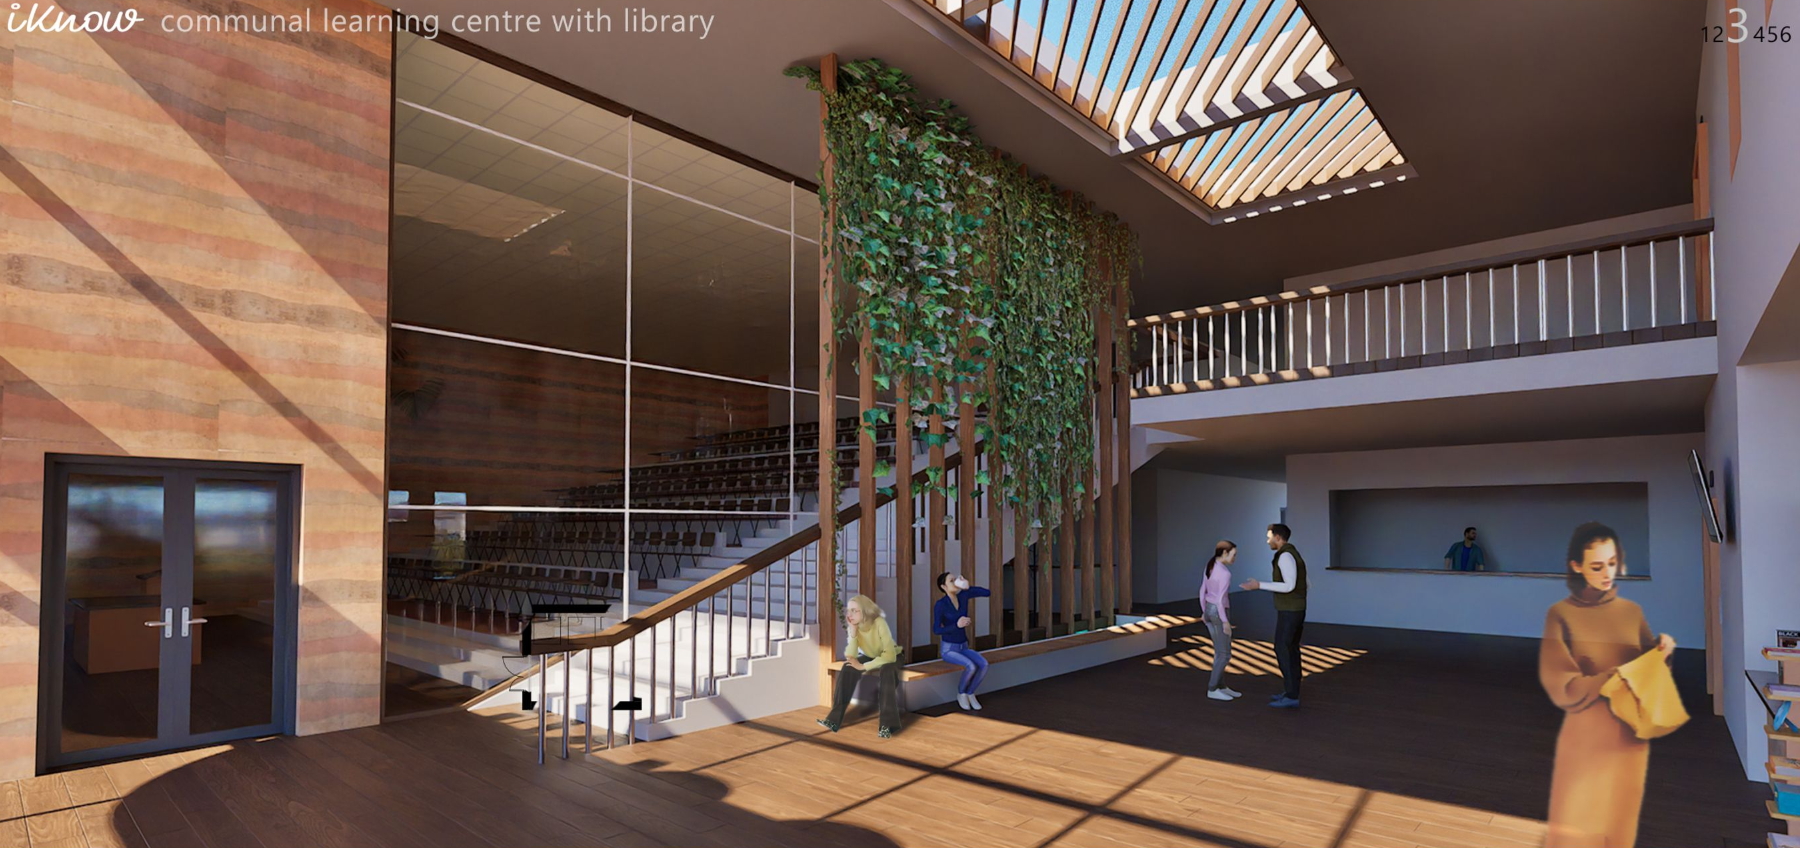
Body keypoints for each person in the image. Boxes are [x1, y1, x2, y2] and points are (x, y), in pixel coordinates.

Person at [1540, 522, 1675, 848]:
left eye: (1612, 563)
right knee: (1576, 823)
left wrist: (1661, 651)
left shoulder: (1631, 611)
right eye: (1597, 566)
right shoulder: (1560, 615)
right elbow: (1561, 684)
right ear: (1577, 566)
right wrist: (1615, 675)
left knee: (1621, 820)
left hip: (1630, 735)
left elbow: (1650, 671)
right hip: (1586, 735)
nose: (1606, 573)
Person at [1240, 523, 1307, 709]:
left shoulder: (1285, 556)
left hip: (1290, 611)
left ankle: (1292, 695)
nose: (1267, 540)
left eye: (1269, 536)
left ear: (1278, 537)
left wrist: (1258, 585)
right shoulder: (1293, 553)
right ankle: (1291, 691)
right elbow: (1306, 583)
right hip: (1296, 609)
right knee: (1290, 649)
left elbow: (1289, 586)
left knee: (1283, 648)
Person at [818, 594, 903, 738]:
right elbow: (851, 656)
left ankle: (888, 726)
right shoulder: (857, 627)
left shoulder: (879, 622)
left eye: (854, 611)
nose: (849, 614)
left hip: (892, 655)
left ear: (865, 611)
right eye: (849, 610)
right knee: (848, 668)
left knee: (887, 671)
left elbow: (889, 655)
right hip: (872, 655)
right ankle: (833, 720)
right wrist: (852, 632)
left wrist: (863, 667)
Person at [934, 573, 991, 710]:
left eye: (956, 579)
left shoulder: (963, 596)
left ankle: (970, 693)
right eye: (951, 581)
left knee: (984, 664)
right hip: (949, 649)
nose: (955, 582)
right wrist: (956, 625)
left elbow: (987, 593)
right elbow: (936, 630)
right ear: (944, 586)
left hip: (963, 646)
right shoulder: (941, 605)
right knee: (971, 666)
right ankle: (961, 693)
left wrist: (967, 585)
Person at [1198, 540, 1242, 701]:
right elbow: (1219, 600)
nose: (1235, 558)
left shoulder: (1210, 566)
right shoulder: (1225, 573)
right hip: (1219, 612)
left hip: (1209, 610)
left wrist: (1204, 611)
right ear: (1224, 553)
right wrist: (1225, 622)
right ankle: (1212, 688)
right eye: (1233, 555)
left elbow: (1203, 590)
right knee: (1225, 655)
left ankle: (1221, 686)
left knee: (1219, 651)